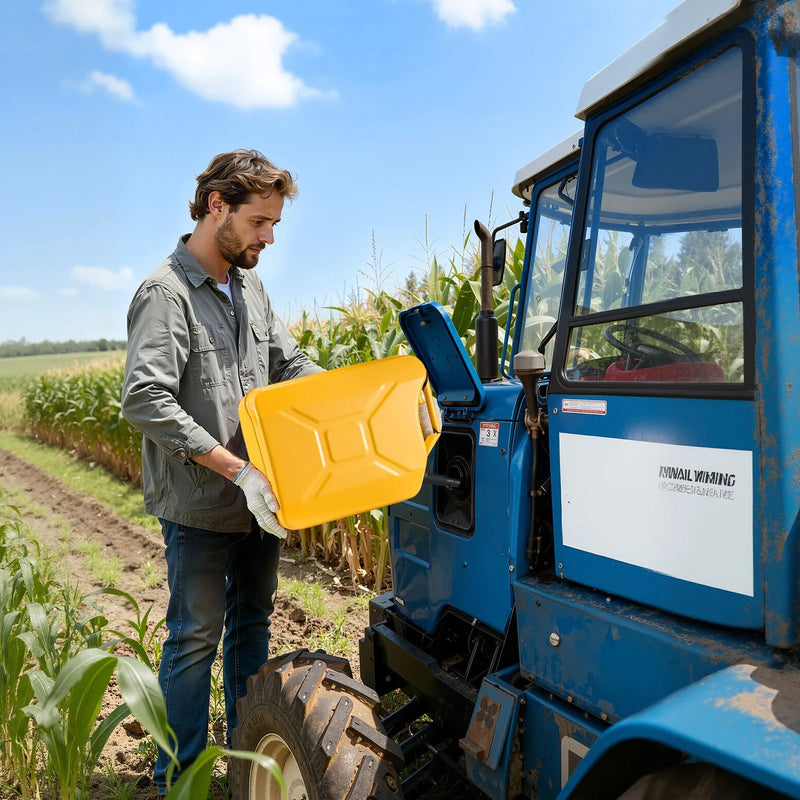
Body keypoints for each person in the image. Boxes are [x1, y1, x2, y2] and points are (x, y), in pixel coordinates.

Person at [121, 149, 322, 794]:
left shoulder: (250, 287)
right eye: (260, 222)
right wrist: (238, 472)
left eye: (274, 224)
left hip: (262, 499)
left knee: (252, 626)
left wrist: (352, 395)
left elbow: (289, 365)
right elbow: (145, 398)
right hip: (204, 502)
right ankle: (178, 778)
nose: (269, 238)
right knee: (194, 638)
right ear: (217, 207)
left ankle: (243, 764)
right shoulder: (166, 293)